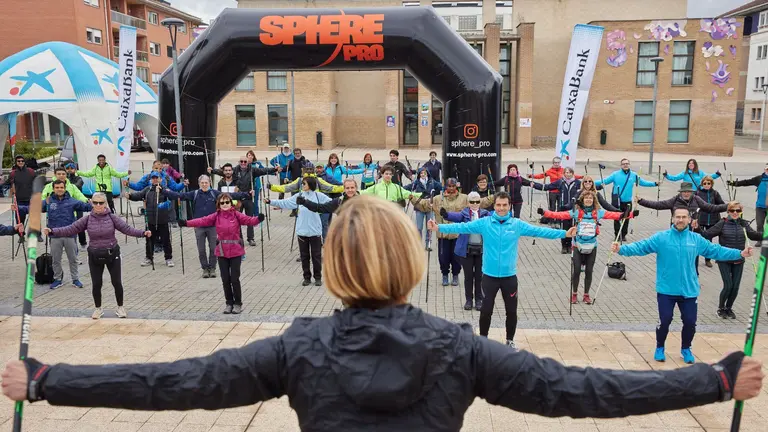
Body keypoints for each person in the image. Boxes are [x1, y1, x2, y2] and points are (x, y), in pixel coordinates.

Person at [2, 195, 766, 429]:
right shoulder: (461, 349)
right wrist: (711, 380)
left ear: (334, 268)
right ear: (410, 261)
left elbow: (174, 383)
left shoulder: (298, 346)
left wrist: (47, 380)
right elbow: (584, 391)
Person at [430, 191, 577, 349]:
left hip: (509, 277)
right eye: (498, 205)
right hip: (489, 276)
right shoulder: (484, 223)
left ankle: (509, 340)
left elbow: (539, 231)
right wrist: (438, 227)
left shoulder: (516, 224)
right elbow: (462, 227)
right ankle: (483, 342)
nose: (501, 208)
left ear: (509, 206)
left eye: (504, 205)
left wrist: (564, 233)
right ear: (494, 206)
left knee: (511, 311)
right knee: (486, 311)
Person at [612, 208, 751, 364]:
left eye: (684, 217)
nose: (680, 220)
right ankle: (660, 347)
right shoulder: (661, 238)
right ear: (672, 219)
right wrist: (621, 249)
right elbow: (641, 247)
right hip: (667, 289)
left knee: (690, 322)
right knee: (665, 320)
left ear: (689, 220)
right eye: (677, 217)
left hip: (689, 290)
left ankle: (686, 349)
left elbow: (715, 250)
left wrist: (740, 253)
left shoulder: (696, 239)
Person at [44, 192, 150, 319]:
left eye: (101, 203)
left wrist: (143, 233)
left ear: (106, 204)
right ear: (92, 204)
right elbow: (70, 229)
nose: (98, 205)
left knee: (116, 282)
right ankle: (98, 308)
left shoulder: (112, 218)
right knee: (96, 283)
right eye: (95, 203)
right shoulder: (87, 219)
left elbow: (127, 229)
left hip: (112, 254)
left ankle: (120, 307)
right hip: (94, 255)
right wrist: (52, 231)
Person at [539, 191, 636, 304]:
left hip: (592, 246)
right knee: (576, 271)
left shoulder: (598, 213)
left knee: (589, 271)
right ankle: (574, 294)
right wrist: (545, 213)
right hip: (577, 245)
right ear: (582, 200)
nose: (588, 200)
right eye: (586, 198)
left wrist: (631, 214)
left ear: (594, 200)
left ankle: (586, 295)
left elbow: (615, 215)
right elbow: (560, 215)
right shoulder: (576, 212)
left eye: (591, 198)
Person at [179, 194, 264, 314]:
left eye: (227, 202)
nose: (225, 205)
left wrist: (258, 219)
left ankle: (238, 303)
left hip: (235, 250)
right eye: (222, 203)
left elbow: (249, 220)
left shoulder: (236, 215)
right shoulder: (216, 216)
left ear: (231, 203)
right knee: (225, 279)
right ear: (219, 204)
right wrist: (186, 223)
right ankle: (229, 303)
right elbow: (202, 220)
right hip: (222, 251)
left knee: (234, 278)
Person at [162, 175, 249, 279]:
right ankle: (204, 268)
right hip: (199, 226)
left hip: (212, 226)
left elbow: (230, 195)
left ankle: (212, 268)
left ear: (209, 183)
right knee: (201, 249)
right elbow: (179, 195)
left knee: (213, 248)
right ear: (199, 184)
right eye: (202, 183)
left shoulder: (214, 193)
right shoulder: (194, 194)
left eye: (206, 182)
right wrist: (164, 191)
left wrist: (246, 194)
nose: (204, 184)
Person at [20, 180, 92, 289]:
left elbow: (87, 207)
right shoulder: (48, 201)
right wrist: (19, 208)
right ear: (53, 189)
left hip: (69, 235)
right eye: (57, 187)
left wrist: (94, 203)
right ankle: (58, 279)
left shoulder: (72, 201)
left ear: (65, 188)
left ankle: (75, 279)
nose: (59, 189)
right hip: (54, 235)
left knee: (73, 259)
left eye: (61, 187)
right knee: (55, 260)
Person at [702, 201, 763, 319]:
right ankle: (721, 308)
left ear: (741, 212)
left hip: (739, 258)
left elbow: (754, 235)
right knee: (728, 285)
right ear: (728, 211)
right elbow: (707, 234)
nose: (735, 213)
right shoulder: (722, 223)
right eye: (732, 210)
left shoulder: (743, 224)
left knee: (735, 287)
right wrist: (696, 228)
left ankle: (729, 308)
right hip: (724, 259)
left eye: (738, 210)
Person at [266, 177, 331, 286]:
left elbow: (331, 203)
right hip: (302, 232)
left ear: (310, 184)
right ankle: (306, 277)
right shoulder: (298, 196)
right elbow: (285, 203)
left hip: (315, 232)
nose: (302, 185)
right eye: (302, 183)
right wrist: (270, 201)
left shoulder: (319, 196)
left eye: (304, 183)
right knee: (304, 257)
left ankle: (318, 277)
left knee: (316, 256)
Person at [209, 160, 279, 247]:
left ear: (247, 162)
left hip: (248, 198)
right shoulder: (235, 170)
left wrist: (274, 169)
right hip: (239, 200)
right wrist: (212, 171)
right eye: (241, 161)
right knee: (237, 220)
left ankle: (251, 238)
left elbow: (264, 170)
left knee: (249, 219)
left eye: (245, 161)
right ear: (239, 162)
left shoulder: (252, 170)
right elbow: (224, 171)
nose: (243, 163)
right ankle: (239, 238)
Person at [441, 191, 490, 311]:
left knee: (479, 276)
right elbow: (456, 216)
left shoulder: (485, 214)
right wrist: (446, 215)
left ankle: (479, 300)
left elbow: (496, 218)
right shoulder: (464, 214)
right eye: (472, 201)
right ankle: (469, 300)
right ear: (468, 203)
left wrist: (507, 215)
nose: (475, 204)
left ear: (480, 202)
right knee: (468, 276)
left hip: (482, 250)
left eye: (477, 201)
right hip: (466, 250)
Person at [414, 178, 466, 286]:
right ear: (445, 186)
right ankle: (445, 275)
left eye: (453, 186)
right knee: (443, 257)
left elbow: (477, 203)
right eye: (449, 186)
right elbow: (424, 204)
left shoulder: (464, 198)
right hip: (442, 234)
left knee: (456, 257)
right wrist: (412, 198)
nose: (451, 188)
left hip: (457, 233)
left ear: (456, 186)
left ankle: (455, 275)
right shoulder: (437, 199)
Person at [595, 158, 658, 241]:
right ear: (621, 165)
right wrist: (590, 182)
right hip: (617, 201)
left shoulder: (634, 175)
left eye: (627, 163)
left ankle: (623, 235)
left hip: (627, 201)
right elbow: (604, 181)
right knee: (617, 218)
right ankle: (617, 235)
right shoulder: (615, 174)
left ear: (629, 165)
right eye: (623, 164)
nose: (625, 165)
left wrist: (655, 184)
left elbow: (643, 182)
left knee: (626, 218)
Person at [126, 172, 174, 267]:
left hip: (162, 220)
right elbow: (138, 195)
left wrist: (163, 192)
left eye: (157, 178)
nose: (155, 180)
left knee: (166, 240)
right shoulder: (147, 190)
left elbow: (171, 200)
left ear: (160, 179)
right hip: (150, 220)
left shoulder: (165, 190)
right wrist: (130, 196)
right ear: (151, 180)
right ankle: (149, 258)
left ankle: (168, 258)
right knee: (149, 240)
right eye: (153, 178)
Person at [531, 167, 582, 254]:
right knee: (563, 227)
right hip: (563, 209)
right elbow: (548, 187)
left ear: (572, 173)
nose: (568, 174)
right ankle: (564, 246)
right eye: (566, 172)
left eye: (570, 172)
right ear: (564, 174)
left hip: (573, 209)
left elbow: (588, 187)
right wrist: (535, 185)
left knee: (572, 227)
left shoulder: (577, 183)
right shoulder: (560, 182)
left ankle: (570, 245)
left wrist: (600, 186)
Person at [728, 164, 768, 246]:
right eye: (767, 169)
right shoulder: (759, 179)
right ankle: (760, 240)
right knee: (759, 224)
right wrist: (734, 183)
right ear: (765, 170)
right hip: (760, 206)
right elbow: (747, 182)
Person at [404, 168, 441, 247]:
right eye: (421, 173)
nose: (423, 174)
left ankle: (428, 243)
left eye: (424, 173)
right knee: (419, 227)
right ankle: (419, 244)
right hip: (419, 206)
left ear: (427, 173)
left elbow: (440, 186)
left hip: (429, 206)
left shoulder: (432, 181)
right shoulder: (416, 182)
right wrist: (399, 188)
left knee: (429, 227)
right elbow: (407, 187)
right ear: (419, 174)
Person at [696, 176, 726, 268]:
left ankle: (707, 259)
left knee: (709, 241)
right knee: (698, 239)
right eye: (704, 183)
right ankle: (695, 258)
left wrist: (730, 207)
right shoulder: (697, 193)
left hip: (713, 219)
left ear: (711, 184)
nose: (706, 185)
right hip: (701, 219)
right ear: (702, 184)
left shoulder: (715, 193)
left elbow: (721, 204)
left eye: (708, 183)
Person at [5, 155, 36, 224]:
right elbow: (7, 184)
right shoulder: (13, 173)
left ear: (24, 162)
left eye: (22, 161)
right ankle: (21, 231)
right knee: (20, 222)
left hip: (30, 200)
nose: (20, 162)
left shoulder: (31, 171)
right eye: (18, 161)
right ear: (16, 162)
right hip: (19, 201)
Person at [65, 163, 88, 247]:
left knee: (79, 223)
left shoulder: (79, 179)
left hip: (78, 205)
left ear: (75, 170)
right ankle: (69, 243)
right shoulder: (64, 179)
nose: (69, 170)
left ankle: (83, 242)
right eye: (68, 169)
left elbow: (78, 185)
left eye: (71, 168)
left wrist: (68, 186)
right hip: (67, 205)